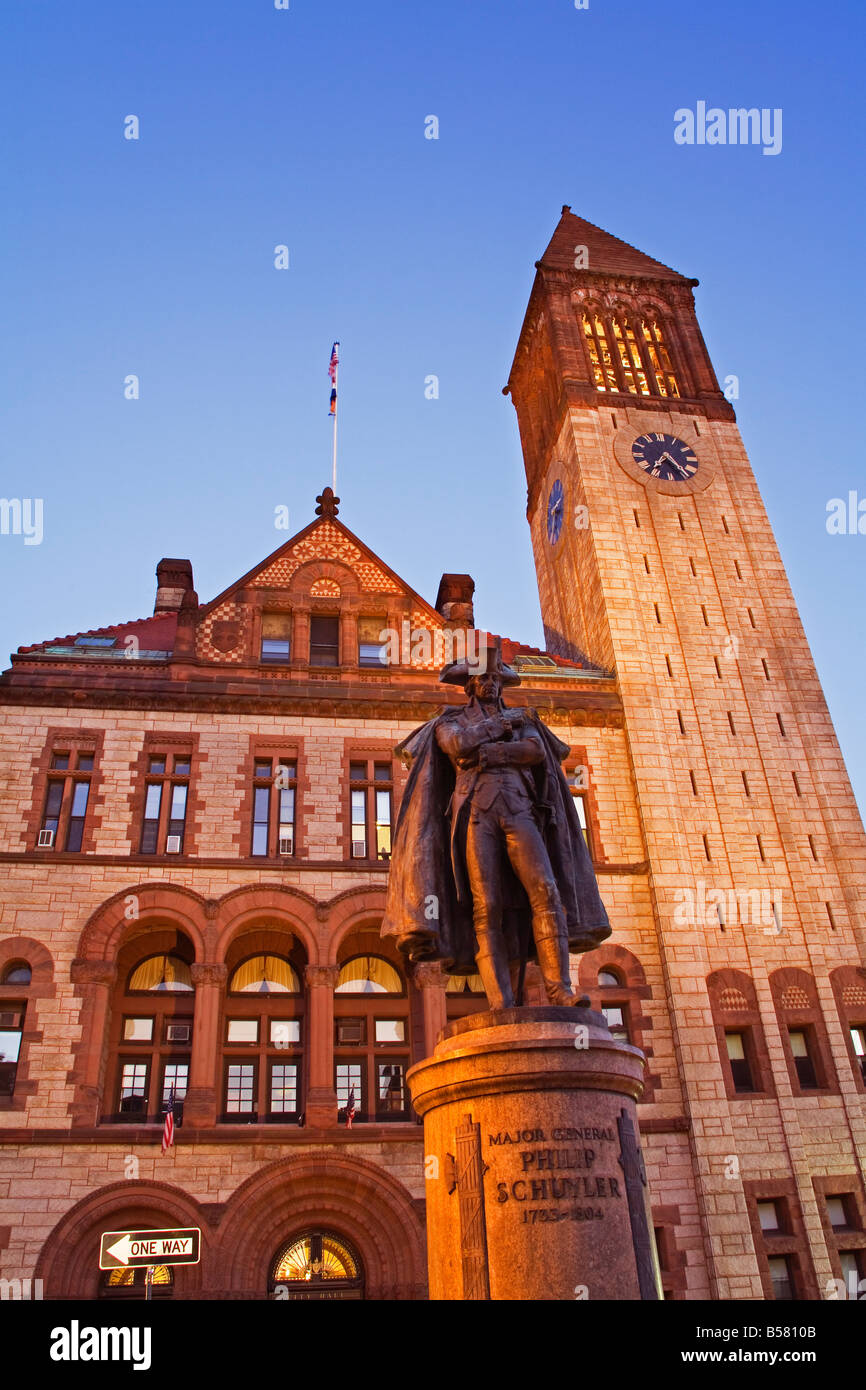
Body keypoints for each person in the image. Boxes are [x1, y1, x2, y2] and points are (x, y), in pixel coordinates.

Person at [381, 645, 611, 1009]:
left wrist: (488, 754)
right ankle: (501, 1003)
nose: (489, 683)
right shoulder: (451, 720)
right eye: (482, 678)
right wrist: (503, 728)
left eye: (494, 678)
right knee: (486, 906)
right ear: (470, 685)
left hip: (520, 811)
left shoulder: (526, 720)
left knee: (546, 891)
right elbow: (456, 745)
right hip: (476, 815)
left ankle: (559, 989)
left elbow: (535, 752)